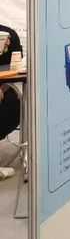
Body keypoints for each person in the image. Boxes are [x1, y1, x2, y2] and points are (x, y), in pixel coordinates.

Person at [0, 25, 22, 180]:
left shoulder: (8, 35)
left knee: (13, 107)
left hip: (4, 91)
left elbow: (16, 68)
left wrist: (2, 88)